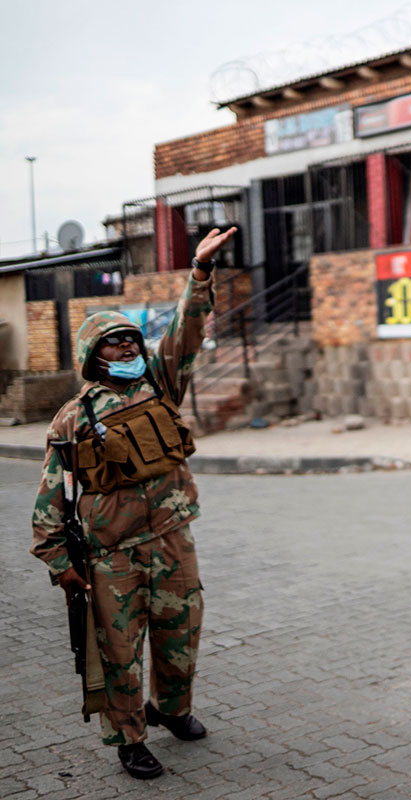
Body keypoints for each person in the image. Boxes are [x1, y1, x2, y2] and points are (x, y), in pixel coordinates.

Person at [31, 226, 237, 779]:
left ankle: (172, 710)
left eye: (130, 339)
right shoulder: (73, 418)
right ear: (91, 358)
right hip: (112, 556)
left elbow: (184, 334)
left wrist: (199, 273)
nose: (127, 347)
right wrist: (60, 564)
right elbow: (50, 500)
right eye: (113, 343)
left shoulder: (160, 384)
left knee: (181, 631)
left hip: (172, 538)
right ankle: (129, 738)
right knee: (119, 651)